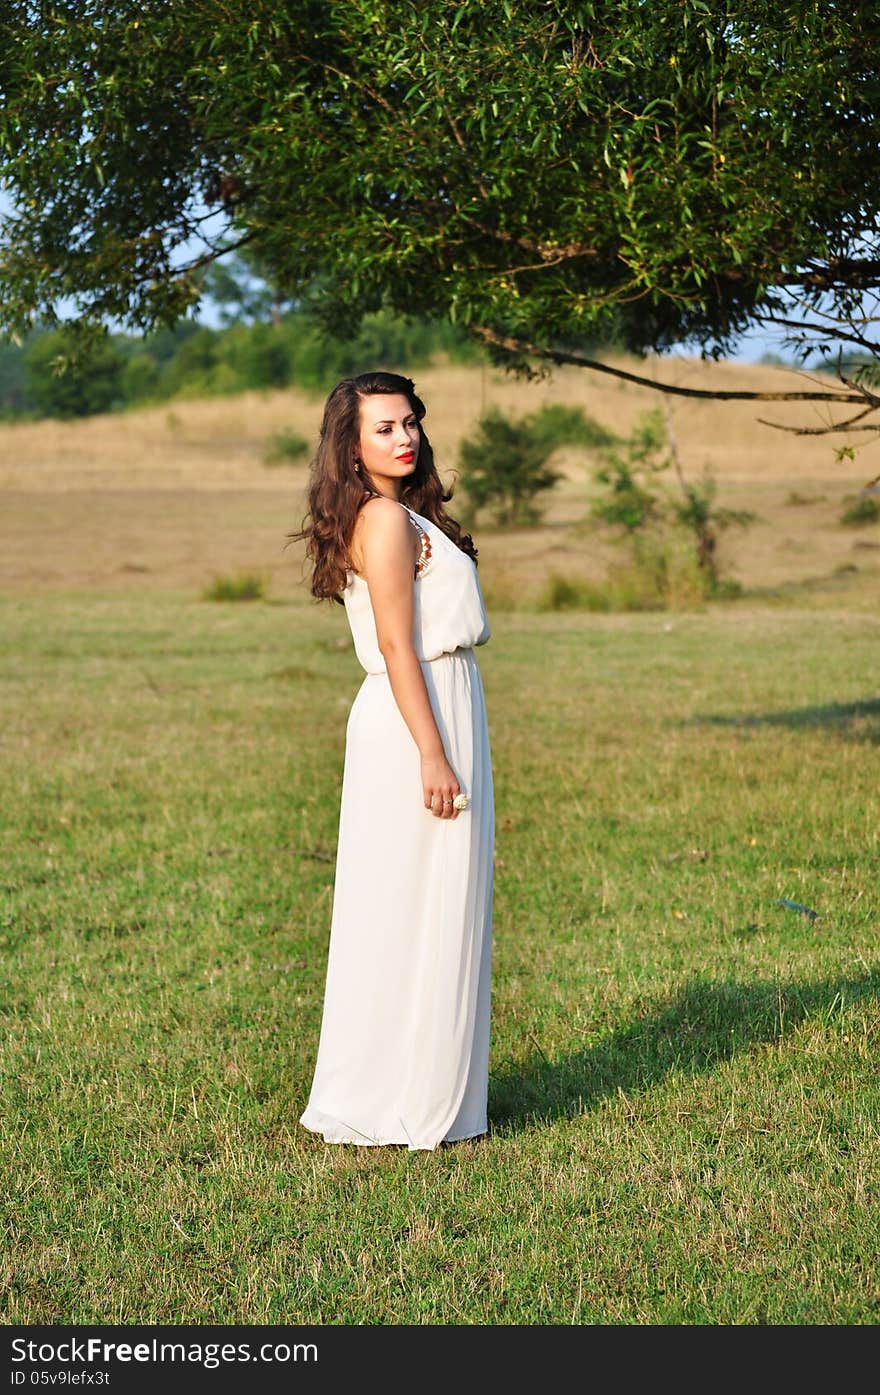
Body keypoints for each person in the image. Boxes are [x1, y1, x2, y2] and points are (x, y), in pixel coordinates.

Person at [292, 370, 494, 1151]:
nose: (403, 436)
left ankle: (421, 1088)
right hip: (419, 716)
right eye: (383, 427)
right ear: (351, 444)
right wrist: (433, 753)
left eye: (409, 422)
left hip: (438, 703)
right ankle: (403, 1099)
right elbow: (396, 646)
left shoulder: (401, 514)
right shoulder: (381, 520)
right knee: (415, 905)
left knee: (426, 903)